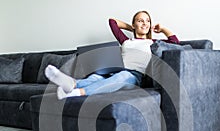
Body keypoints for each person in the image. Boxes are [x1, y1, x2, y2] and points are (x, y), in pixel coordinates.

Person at [45, 11, 179, 99]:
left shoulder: (153, 42)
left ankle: (76, 92)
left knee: (122, 76)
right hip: (114, 70)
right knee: (95, 77)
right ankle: (71, 83)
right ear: (134, 24)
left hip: (135, 76)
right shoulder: (126, 41)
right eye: (140, 21)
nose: (144, 23)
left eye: (147, 21)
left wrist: (162, 29)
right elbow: (112, 22)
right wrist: (131, 28)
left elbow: (175, 43)